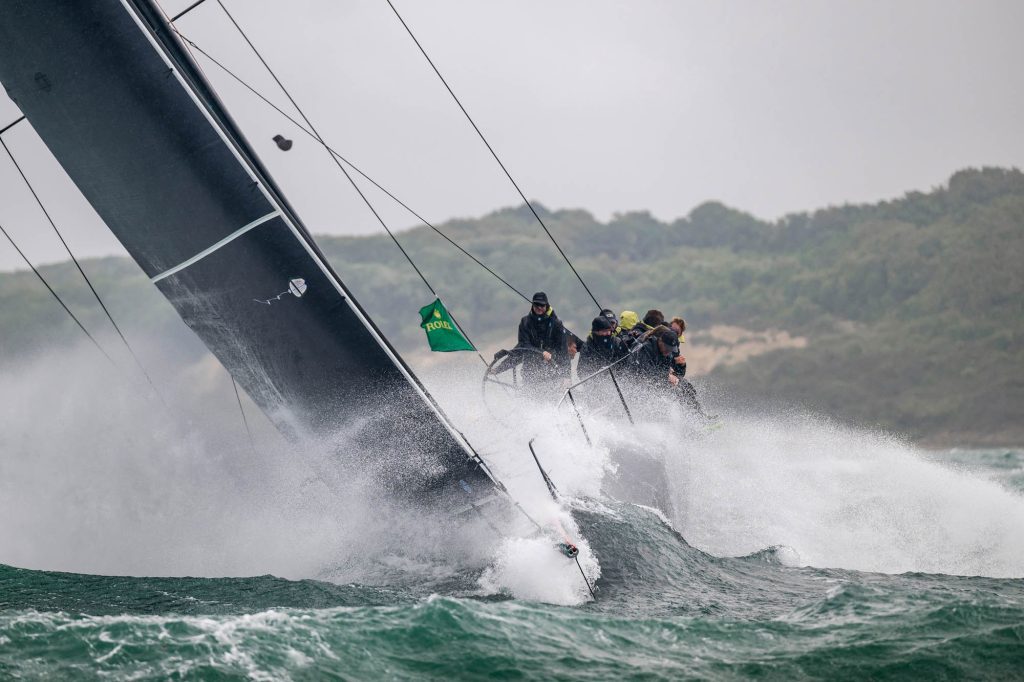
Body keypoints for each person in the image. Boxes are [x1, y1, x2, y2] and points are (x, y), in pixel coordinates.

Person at [514, 292, 573, 387]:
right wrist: (498, 370)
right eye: (536, 304)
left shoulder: (556, 323)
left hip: (552, 373)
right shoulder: (524, 322)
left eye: (542, 305)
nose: (539, 307)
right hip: (529, 374)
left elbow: (563, 351)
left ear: (546, 305)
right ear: (532, 305)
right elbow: (523, 346)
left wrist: (567, 376)